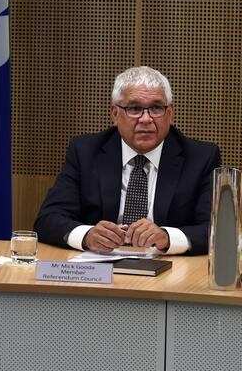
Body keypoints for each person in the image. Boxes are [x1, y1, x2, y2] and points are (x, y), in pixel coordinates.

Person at [34, 66, 221, 255]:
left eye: (156, 108)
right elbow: (48, 219)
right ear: (115, 114)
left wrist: (167, 237)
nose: (146, 119)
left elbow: (216, 231)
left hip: (170, 271)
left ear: (170, 114)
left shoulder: (200, 158)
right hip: (100, 270)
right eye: (134, 108)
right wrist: (87, 235)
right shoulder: (86, 152)